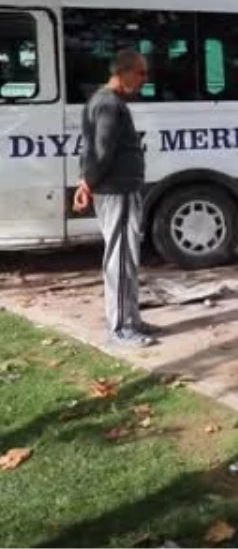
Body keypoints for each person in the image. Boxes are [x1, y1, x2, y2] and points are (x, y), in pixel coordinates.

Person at [74, 49, 158, 347]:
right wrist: (88, 184)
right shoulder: (109, 104)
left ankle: (131, 318)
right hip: (117, 192)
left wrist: (85, 182)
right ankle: (121, 328)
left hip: (119, 190)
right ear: (122, 72)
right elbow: (101, 151)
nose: (145, 79)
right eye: (141, 72)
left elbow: (91, 150)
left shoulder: (107, 102)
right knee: (120, 260)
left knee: (127, 258)